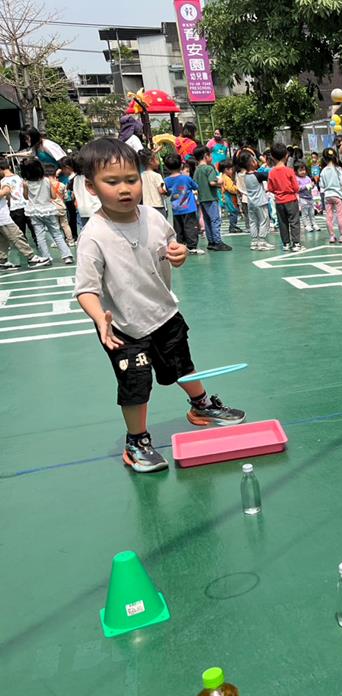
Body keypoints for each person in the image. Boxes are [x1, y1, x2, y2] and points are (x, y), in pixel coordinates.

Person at [72, 138, 245, 473]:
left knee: (183, 364)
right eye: (112, 182)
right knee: (136, 386)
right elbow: (86, 289)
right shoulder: (94, 235)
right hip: (123, 328)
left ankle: (201, 405)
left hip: (164, 313)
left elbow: (170, 245)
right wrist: (99, 319)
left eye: (131, 179)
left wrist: (178, 253)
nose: (125, 189)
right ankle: (137, 440)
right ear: (91, 188)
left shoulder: (152, 216)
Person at [22, 157, 73, 266]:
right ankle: (67, 256)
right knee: (56, 233)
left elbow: (25, 197)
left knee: (40, 236)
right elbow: (53, 196)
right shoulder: (46, 180)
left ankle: (46, 258)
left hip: (34, 211)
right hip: (48, 210)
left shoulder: (26, 183)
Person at [162, 153, 202, 254]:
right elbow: (196, 187)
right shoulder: (186, 178)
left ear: (167, 167)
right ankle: (192, 246)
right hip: (189, 208)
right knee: (190, 227)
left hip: (176, 209)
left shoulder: (166, 180)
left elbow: (167, 192)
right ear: (181, 165)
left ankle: (180, 244)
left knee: (178, 228)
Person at [193, 147, 231, 252]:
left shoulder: (197, 170)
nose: (212, 157)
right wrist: (220, 181)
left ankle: (211, 242)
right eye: (210, 155)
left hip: (202, 198)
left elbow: (195, 184)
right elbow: (212, 182)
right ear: (206, 156)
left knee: (207, 220)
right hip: (211, 198)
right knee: (215, 220)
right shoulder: (209, 168)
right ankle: (218, 242)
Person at [0, 164, 37, 269]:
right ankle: (31, 257)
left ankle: (2, 260)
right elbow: (3, 193)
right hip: (3, 217)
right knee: (17, 235)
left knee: (2, 240)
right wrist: (6, 190)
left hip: (6, 213)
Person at [267, 142, 301, 251]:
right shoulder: (289, 171)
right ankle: (296, 243)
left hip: (279, 201)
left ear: (272, 156)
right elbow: (296, 188)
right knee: (294, 222)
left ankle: (286, 243)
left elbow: (270, 188)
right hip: (291, 200)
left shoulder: (271, 172)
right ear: (286, 155)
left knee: (282, 223)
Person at [235, 150, 271, 251]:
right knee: (264, 220)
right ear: (251, 163)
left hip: (251, 202)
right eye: (254, 160)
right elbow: (269, 174)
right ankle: (262, 241)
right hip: (260, 202)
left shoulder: (245, 176)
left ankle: (254, 241)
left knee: (253, 222)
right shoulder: (258, 175)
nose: (256, 161)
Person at [319, 147, 342, 243]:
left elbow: (321, 185)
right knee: (340, 215)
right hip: (337, 195)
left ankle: (332, 236)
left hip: (327, 196)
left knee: (329, 216)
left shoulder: (323, 171)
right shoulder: (338, 169)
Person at [1, 157, 31, 241]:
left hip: (15, 209)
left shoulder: (2, 182)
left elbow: (6, 197)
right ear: (9, 167)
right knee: (35, 232)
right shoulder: (19, 177)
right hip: (26, 206)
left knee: (20, 235)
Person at [72, 154, 102, 231]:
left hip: (83, 210)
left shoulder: (76, 179)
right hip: (95, 207)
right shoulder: (92, 176)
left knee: (86, 231)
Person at [139, 149, 167, 216]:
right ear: (151, 161)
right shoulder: (157, 176)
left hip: (146, 207)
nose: (158, 161)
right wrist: (167, 192)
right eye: (157, 159)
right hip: (158, 207)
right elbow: (161, 191)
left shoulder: (141, 176)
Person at [218, 161, 243, 233]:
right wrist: (237, 189)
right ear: (226, 170)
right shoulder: (227, 178)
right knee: (233, 211)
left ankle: (233, 225)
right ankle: (232, 226)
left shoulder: (223, 177)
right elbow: (231, 188)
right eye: (231, 169)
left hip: (227, 197)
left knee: (233, 211)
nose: (232, 171)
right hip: (229, 197)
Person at [58, 157, 79, 243]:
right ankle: (72, 236)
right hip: (68, 200)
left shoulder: (74, 177)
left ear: (68, 167)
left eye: (63, 169)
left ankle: (74, 236)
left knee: (72, 219)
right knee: (71, 219)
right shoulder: (68, 178)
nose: (62, 171)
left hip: (72, 201)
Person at [295, 163, 319, 233]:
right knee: (305, 213)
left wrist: (312, 185)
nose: (303, 172)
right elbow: (298, 188)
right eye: (300, 170)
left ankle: (314, 224)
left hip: (310, 197)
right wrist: (306, 186)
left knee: (312, 212)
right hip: (303, 198)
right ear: (296, 171)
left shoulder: (308, 178)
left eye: (304, 170)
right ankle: (306, 225)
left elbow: (311, 186)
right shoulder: (297, 179)